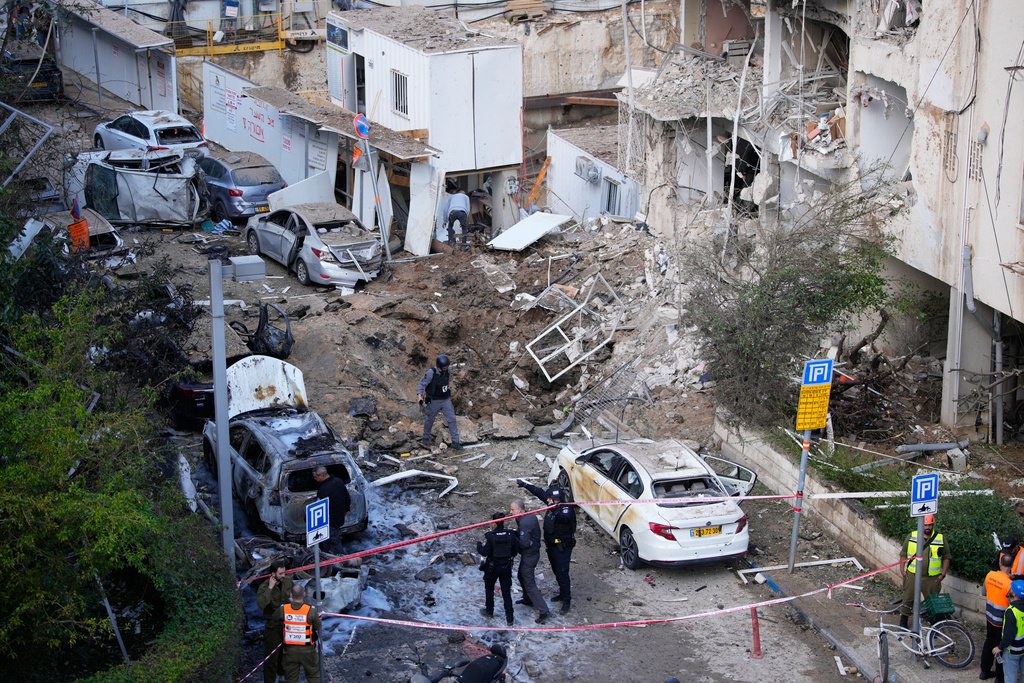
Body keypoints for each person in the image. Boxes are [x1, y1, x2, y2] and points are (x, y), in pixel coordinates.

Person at [516, 480, 576, 614]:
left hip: (563, 547)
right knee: (556, 570)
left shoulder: (566, 508)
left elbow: (565, 517)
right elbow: (539, 493)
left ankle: (567, 600)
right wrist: (525, 485)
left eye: (550, 499)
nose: (547, 500)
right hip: (552, 546)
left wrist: (555, 509)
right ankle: (562, 592)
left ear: (557, 500)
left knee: (562, 572)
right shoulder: (551, 503)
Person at [898, 513, 950, 629]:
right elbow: (903, 554)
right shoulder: (912, 536)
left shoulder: (940, 538)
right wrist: (902, 570)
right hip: (913, 575)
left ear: (933, 524)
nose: (927, 527)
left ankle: (935, 625)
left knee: (932, 602)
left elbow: (947, 557)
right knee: (908, 598)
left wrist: (943, 574)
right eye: (925, 525)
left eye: (930, 525)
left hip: (932, 578)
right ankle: (904, 620)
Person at [510, 499, 551, 624]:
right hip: (531, 553)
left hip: (530, 555)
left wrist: (513, 542)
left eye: (513, 510)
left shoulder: (525, 522)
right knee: (521, 576)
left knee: (529, 582)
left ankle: (544, 610)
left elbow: (524, 543)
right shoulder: (527, 517)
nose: (510, 512)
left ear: (520, 509)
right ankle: (527, 598)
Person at [478, 512, 519, 626]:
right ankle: (510, 618)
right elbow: (516, 550)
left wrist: (479, 544)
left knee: (489, 589)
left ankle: (489, 611)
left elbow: (484, 552)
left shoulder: (490, 536)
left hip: (492, 568)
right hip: (506, 567)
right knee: (506, 592)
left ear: (494, 522)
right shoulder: (511, 534)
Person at [257, 561, 294, 683]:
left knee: (287, 655)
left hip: (287, 624)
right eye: (281, 573)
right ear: (273, 574)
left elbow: (294, 596)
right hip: (273, 627)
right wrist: (270, 588)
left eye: (285, 572)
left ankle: (283, 676)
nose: (284, 575)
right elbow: (261, 604)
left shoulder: (287, 581)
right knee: (271, 659)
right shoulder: (264, 586)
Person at [276, 583, 321, 683]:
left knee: (291, 679)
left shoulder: (283, 609)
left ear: (291, 595)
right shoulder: (311, 611)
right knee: (313, 676)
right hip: (308, 651)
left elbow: (278, 624)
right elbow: (318, 627)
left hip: (289, 651)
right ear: (304, 594)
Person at [417, 354, 462, 451]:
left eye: (447, 367)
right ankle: (425, 439)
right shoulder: (431, 373)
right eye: (444, 367)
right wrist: (419, 395)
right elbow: (422, 384)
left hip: (445, 400)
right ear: (439, 366)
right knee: (429, 419)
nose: (446, 369)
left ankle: (455, 442)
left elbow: (447, 381)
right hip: (433, 401)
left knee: (452, 419)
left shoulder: (448, 371)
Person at [983, 553, 1014, 680]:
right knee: (1001, 648)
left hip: (989, 617)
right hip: (1001, 621)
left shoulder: (989, 575)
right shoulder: (1010, 584)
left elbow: (984, 592)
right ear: (1012, 566)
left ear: (1000, 564)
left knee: (989, 643)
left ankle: (984, 671)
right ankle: (999, 678)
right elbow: (1013, 604)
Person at [313, 465, 350, 552]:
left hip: (329, 521)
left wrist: (308, 518)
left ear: (321, 475)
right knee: (333, 539)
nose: (314, 479)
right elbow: (347, 498)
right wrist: (345, 512)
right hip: (339, 518)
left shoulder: (323, 489)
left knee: (333, 542)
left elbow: (320, 508)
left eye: (315, 477)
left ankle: (340, 561)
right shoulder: (339, 481)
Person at [995, 580, 1024, 683]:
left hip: (1012, 650)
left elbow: (1009, 635)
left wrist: (999, 647)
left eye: (1011, 588)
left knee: (1010, 677)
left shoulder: (1011, 612)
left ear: (1014, 593)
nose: (1009, 589)